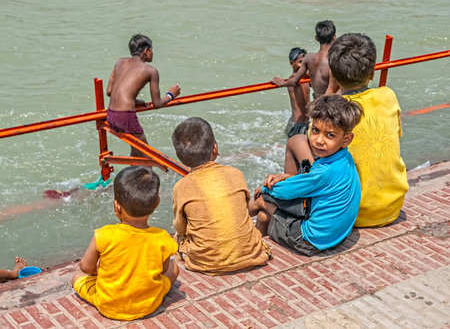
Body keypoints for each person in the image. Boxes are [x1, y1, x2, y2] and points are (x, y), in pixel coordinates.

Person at [249, 95, 363, 256]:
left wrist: (263, 188)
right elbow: (309, 183)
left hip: (308, 240)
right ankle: (255, 237)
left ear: (346, 140)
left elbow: (282, 192)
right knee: (263, 216)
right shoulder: (344, 158)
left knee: (260, 198)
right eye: (315, 130)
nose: (319, 140)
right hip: (337, 236)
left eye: (330, 135)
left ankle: (230, 229)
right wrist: (288, 177)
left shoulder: (325, 172)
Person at [72, 166, 179, 321]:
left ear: (117, 205)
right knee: (174, 268)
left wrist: (99, 271)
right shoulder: (162, 237)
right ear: (157, 203)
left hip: (108, 305)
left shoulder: (103, 234)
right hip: (149, 304)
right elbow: (163, 270)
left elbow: (86, 268)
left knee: (76, 277)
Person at [171, 117, 272, 275]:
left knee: (177, 238)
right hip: (252, 255)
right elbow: (243, 209)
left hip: (208, 264)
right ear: (215, 148)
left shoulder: (181, 187)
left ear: (180, 157)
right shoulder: (235, 173)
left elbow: (181, 226)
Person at [327, 33, 409, 227]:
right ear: (372, 73)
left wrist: (330, 90)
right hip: (392, 207)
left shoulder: (331, 111)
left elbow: (318, 149)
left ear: (333, 75)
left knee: (298, 143)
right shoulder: (388, 96)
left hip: (350, 214)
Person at [106, 34, 181, 160]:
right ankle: (148, 178)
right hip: (126, 116)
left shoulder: (120, 62)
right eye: (151, 50)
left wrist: (134, 101)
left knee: (136, 149)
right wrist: (171, 94)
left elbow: (109, 91)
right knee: (147, 154)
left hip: (111, 115)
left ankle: (132, 177)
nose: (153, 53)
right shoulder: (150, 71)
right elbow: (157, 103)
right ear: (146, 51)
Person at [271, 20, 336, 98]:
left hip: (317, 104)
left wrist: (281, 82)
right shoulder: (335, 58)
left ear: (316, 38)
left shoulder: (309, 58)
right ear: (334, 37)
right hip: (332, 104)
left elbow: (294, 82)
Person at [285, 47, 311, 137]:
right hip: (297, 125)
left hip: (305, 122)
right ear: (292, 64)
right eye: (301, 62)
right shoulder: (294, 78)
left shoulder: (305, 78)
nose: (304, 66)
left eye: (305, 63)